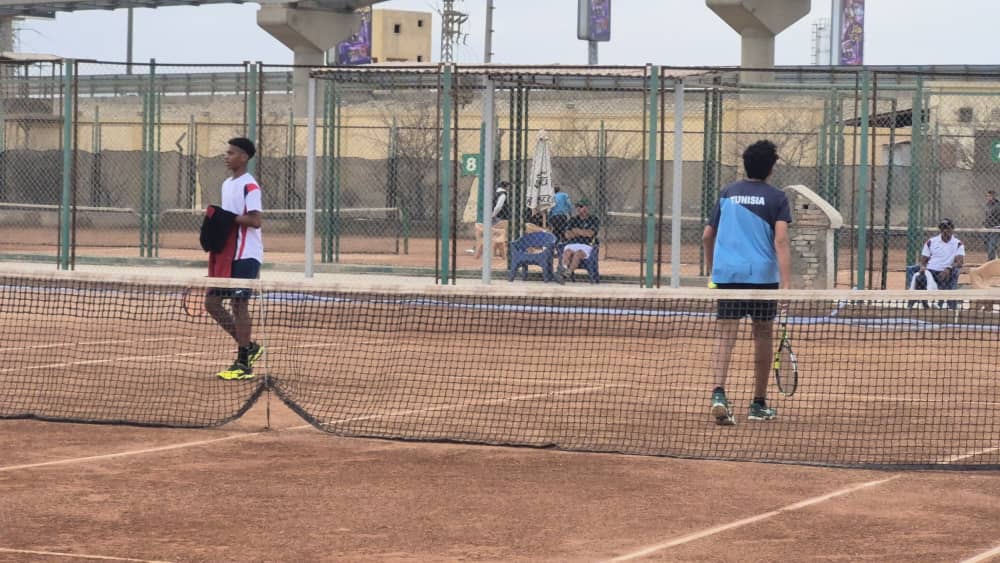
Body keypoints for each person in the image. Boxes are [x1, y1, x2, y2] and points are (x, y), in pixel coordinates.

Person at [702, 139, 792, 426]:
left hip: (727, 275)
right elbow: (781, 240)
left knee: (725, 336)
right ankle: (758, 404)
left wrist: (712, 270)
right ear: (771, 168)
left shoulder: (727, 193)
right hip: (762, 278)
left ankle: (718, 395)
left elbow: (707, 235)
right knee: (762, 335)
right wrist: (787, 286)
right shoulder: (778, 198)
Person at [206, 137, 264, 381]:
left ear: (244, 157)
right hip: (227, 254)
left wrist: (225, 218)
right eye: (226, 152)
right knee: (212, 303)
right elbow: (226, 219)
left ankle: (243, 363)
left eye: (231, 153)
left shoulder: (250, 186)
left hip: (246, 255)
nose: (226, 156)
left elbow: (255, 220)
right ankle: (249, 346)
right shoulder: (226, 184)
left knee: (239, 306)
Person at [556, 197, 599, 282]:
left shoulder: (593, 219)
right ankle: (563, 270)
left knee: (578, 254)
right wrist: (582, 232)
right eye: (577, 206)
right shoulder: (573, 220)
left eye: (581, 206)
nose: (578, 208)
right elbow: (567, 235)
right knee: (567, 251)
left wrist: (576, 231)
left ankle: (567, 273)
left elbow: (590, 233)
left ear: (587, 207)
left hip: (586, 245)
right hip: (572, 244)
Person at [919, 218, 964, 289]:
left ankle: (944, 298)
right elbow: (923, 261)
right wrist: (923, 268)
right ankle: (917, 298)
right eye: (943, 228)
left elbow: (960, 262)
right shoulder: (931, 242)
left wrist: (949, 269)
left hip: (946, 271)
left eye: (947, 228)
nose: (945, 231)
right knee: (919, 278)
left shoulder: (958, 243)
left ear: (952, 229)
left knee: (944, 279)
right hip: (930, 271)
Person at [474, 181, 511, 259]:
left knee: (495, 233)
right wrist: (493, 215)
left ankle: (495, 252)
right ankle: (500, 253)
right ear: (506, 187)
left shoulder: (495, 193)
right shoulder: (503, 194)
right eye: (508, 186)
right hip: (500, 217)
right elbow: (498, 207)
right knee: (500, 233)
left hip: (494, 217)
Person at [984, 190, 1000, 261]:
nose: (988, 197)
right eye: (987, 196)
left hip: (995, 227)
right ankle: (992, 258)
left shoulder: (998, 205)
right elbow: (987, 216)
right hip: (987, 227)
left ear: (994, 196)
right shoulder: (987, 205)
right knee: (986, 243)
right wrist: (984, 224)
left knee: (992, 244)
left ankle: (991, 260)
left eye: (990, 196)